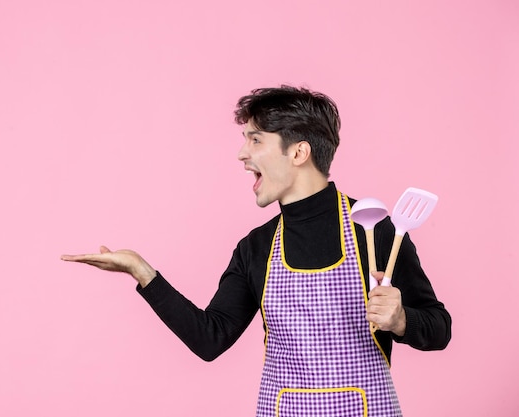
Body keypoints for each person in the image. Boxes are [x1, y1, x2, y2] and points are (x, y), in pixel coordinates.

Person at [61, 86, 451, 417]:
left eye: (255, 139)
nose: (241, 154)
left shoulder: (375, 229)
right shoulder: (256, 248)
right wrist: (141, 270)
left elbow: (439, 328)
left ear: (298, 153)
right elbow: (210, 339)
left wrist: (401, 320)